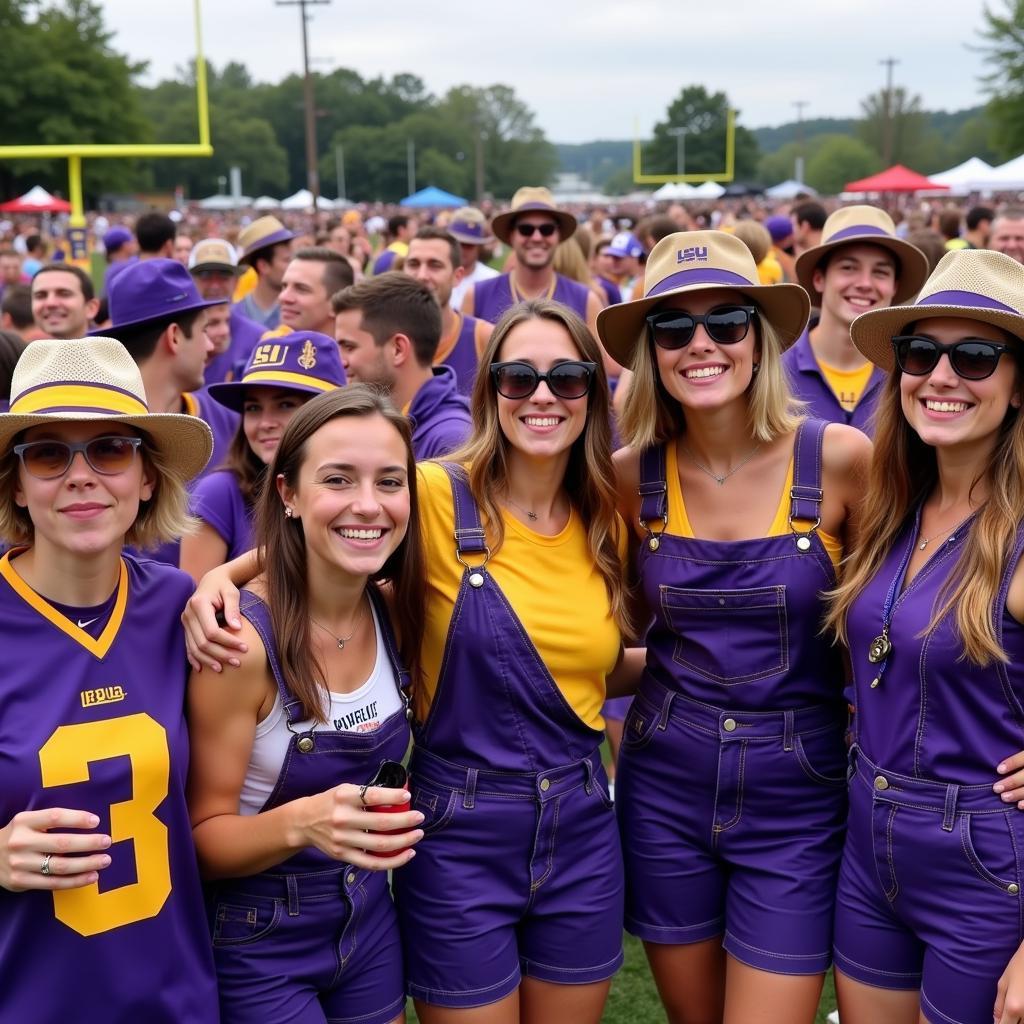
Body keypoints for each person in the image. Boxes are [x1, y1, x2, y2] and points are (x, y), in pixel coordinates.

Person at [182, 298, 638, 1024]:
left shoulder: (607, 515)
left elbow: (588, 664)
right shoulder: (428, 493)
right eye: (518, 377)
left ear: (595, 389)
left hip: (580, 817)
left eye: (569, 377)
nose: (543, 395)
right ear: (489, 392)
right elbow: (337, 527)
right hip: (459, 821)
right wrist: (217, 580)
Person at [600, 230, 870, 1024]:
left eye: (726, 322)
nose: (702, 344)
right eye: (674, 329)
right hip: (664, 789)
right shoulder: (628, 476)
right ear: (651, 352)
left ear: (762, 338)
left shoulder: (841, 458)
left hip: (799, 794)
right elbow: (597, 634)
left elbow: (912, 614)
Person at [826, 249, 1024, 1024]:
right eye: (921, 352)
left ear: (1017, 386)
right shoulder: (894, 507)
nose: (941, 375)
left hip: (983, 865)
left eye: (975, 355)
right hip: (869, 843)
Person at [187, 385, 425, 1024]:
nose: (369, 505)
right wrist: (303, 823)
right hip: (258, 936)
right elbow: (199, 840)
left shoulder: (397, 607)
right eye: (338, 479)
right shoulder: (239, 644)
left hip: (372, 922)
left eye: (390, 482)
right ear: (288, 493)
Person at [0, 336, 218, 1020]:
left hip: (175, 999)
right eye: (47, 453)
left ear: (148, 476)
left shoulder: (178, 606)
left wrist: (230, 579)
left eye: (111, 450)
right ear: (16, 484)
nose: (81, 474)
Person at [181, 331, 347, 582]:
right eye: (253, 408)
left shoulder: (364, 493)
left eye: (285, 405)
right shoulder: (220, 492)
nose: (265, 423)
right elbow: (192, 610)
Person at [785, 206, 929, 432]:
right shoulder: (772, 373)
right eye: (849, 268)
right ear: (819, 279)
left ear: (895, 286)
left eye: (880, 272)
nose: (864, 283)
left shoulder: (914, 377)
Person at [333, 273, 472, 460]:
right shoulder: (383, 421)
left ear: (398, 349)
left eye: (349, 347)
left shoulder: (450, 441)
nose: (340, 360)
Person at [461, 187, 602, 337]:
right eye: (525, 229)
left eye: (546, 229)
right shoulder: (478, 296)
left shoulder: (585, 300)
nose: (536, 238)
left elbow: (601, 360)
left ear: (558, 236)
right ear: (511, 236)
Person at [404, 226, 492, 395]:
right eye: (413, 264)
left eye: (434, 265)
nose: (422, 275)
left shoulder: (483, 339)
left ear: (457, 276)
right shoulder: (382, 338)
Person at [188, 238, 265, 385]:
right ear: (191, 280)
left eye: (224, 275)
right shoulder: (174, 334)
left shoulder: (258, 338)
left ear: (236, 281)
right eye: (205, 275)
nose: (215, 284)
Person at [235, 216, 296, 330]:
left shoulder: (300, 311)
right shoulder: (235, 317)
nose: (293, 266)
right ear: (263, 266)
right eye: (286, 260)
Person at [31, 263, 100, 340]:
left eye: (64, 294)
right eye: (41, 295)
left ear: (91, 308)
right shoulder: (25, 350)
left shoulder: (110, 350)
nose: (50, 303)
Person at [447, 206, 498, 310]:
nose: (461, 249)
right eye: (458, 243)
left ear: (479, 247)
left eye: (468, 245)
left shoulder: (493, 280)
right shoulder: (436, 276)